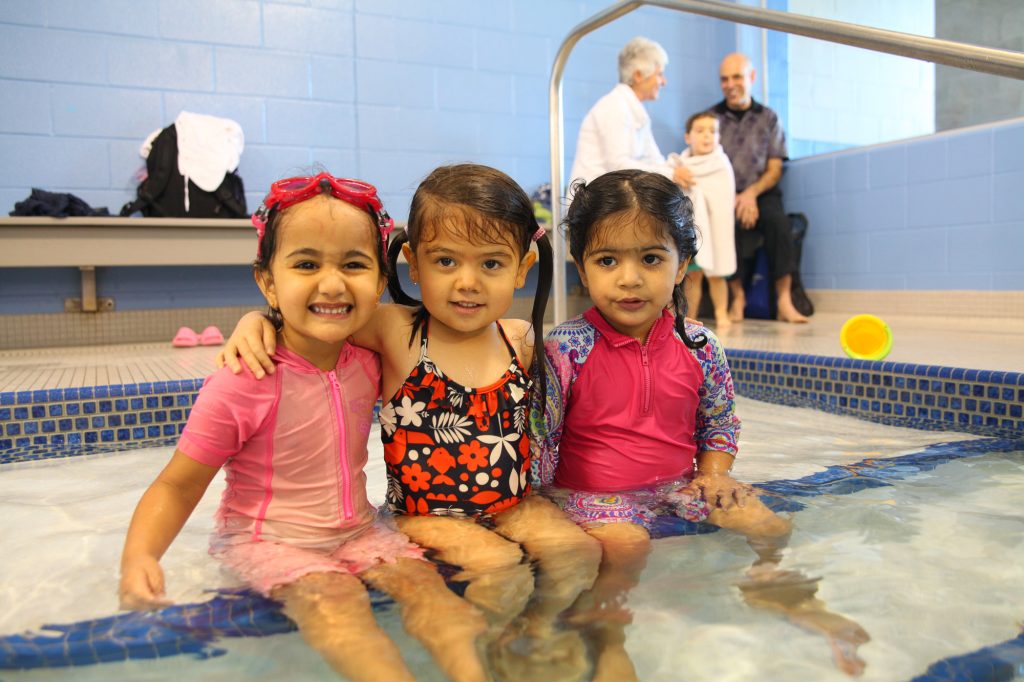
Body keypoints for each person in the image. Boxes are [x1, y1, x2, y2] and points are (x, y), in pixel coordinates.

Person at [218, 164, 603, 680]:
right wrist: (254, 321)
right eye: (445, 260)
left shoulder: (519, 338)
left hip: (515, 502)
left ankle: (538, 627)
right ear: (412, 263)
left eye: (491, 264)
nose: (467, 283)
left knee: (579, 550)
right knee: (496, 566)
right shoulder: (395, 331)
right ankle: (485, 642)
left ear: (522, 267)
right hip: (425, 512)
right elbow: (315, 313)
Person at [119, 173, 491, 682]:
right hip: (269, 542)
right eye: (306, 264)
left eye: (354, 264)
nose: (333, 283)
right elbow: (178, 484)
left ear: (381, 282)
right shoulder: (245, 381)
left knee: (433, 595)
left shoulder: (368, 360)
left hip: (357, 531)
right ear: (267, 280)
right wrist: (139, 556)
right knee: (339, 603)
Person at [533, 169, 869, 679]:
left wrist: (714, 474)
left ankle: (771, 582)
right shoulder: (566, 348)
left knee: (768, 522)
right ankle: (607, 633)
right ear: (583, 269)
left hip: (677, 487)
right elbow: (543, 436)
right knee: (628, 545)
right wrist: (544, 509)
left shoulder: (699, 345)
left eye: (650, 258)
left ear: (682, 264)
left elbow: (718, 421)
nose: (630, 278)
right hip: (589, 496)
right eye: (608, 261)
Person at [712, 52, 808, 324]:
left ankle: (785, 301)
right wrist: (735, 198)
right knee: (722, 228)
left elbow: (775, 168)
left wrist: (750, 195)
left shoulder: (769, 118)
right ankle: (737, 297)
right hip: (724, 194)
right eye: (724, 79)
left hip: (761, 192)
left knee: (779, 224)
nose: (730, 84)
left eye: (737, 77)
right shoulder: (711, 119)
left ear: (751, 77)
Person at [568, 36, 691, 190]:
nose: (664, 81)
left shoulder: (636, 111)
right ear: (638, 75)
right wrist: (671, 174)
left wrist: (678, 169)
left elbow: (654, 159)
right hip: (595, 202)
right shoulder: (615, 106)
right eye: (659, 74)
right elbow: (619, 164)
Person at [668, 110, 737, 329]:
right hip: (693, 228)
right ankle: (690, 316)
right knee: (693, 275)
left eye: (713, 131)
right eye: (700, 131)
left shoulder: (721, 164)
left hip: (715, 229)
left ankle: (721, 312)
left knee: (717, 275)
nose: (707, 136)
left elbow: (723, 198)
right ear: (688, 137)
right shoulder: (680, 165)